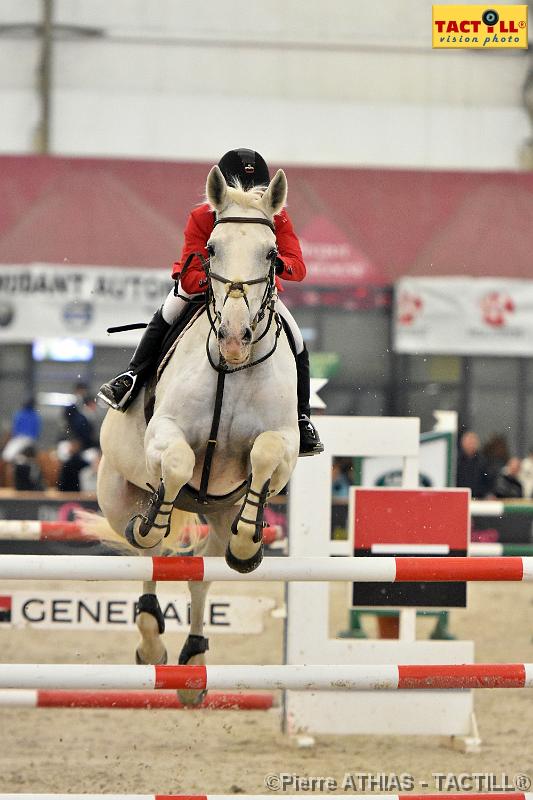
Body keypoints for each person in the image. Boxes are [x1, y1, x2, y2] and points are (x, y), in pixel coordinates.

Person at [97, 149, 323, 457]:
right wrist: (216, 283)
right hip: (205, 287)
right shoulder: (202, 216)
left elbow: (298, 265)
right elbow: (190, 268)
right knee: (167, 312)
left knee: (295, 339)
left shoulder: (276, 217)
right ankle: (133, 376)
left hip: (254, 294)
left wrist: (278, 264)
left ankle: (301, 416)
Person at [456, 430, 493, 499]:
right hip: (459, 498)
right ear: (462, 443)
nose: (471, 444)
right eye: (469, 442)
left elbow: (489, 481)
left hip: (479, 499)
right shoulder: (456, 461)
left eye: (473, 442)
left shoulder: (483, 462)